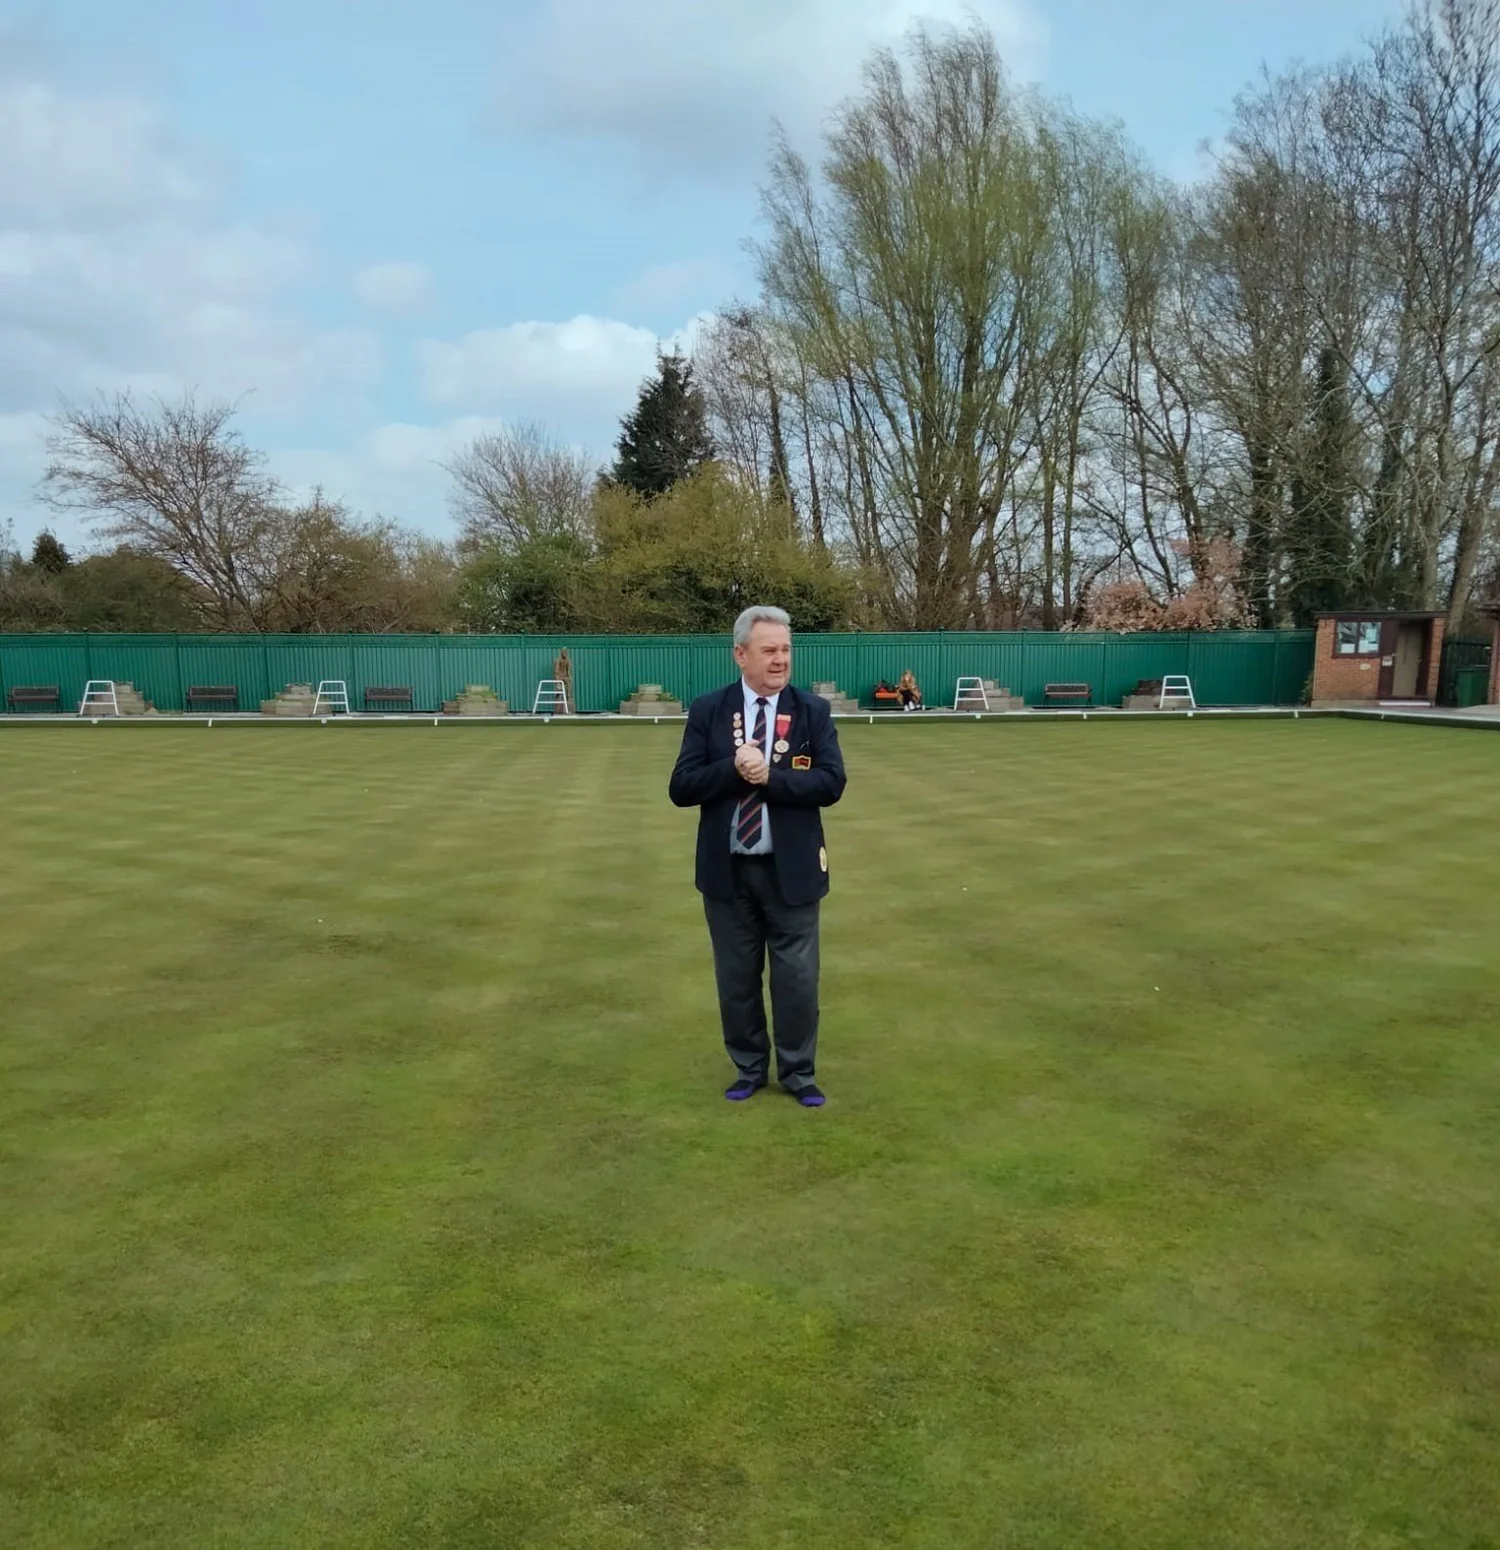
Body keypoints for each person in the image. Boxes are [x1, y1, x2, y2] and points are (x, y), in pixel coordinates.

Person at [669, 606, 847, 1106]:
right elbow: (681, 787)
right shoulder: (709, 710)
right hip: (727, 871)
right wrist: (733, 768)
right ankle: (749, 1068)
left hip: (790, 870)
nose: (780, 660)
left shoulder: (812, 711)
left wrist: (771, 777)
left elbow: (831, 783)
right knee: (736, 979)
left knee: (796, 979)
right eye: (769, 650)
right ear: (740, 654)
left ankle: (798, 1073)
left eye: (786, 650)